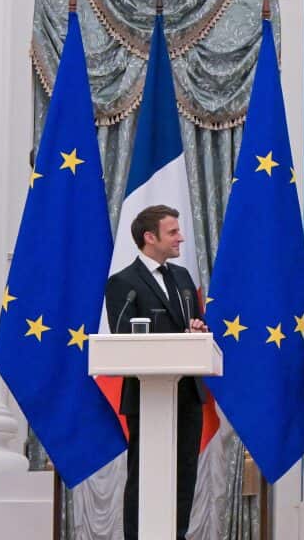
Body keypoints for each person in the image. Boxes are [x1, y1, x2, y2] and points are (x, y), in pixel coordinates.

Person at [104, 205, 209, 540]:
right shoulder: (122, 283)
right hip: (147, 395)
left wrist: (195, 332)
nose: (181, 237)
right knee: (144, 474)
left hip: (187, 392)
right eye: (173, 232)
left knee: (185, 474)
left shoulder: (182, 278)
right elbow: (122, 337)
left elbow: (191, 326)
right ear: (150, 237)